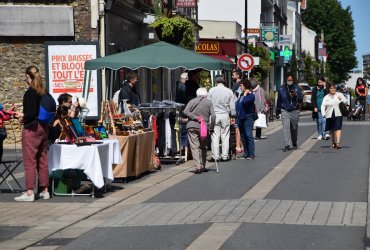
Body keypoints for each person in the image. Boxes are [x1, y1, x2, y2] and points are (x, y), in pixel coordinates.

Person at [14, 66, 50, 201]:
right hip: (44, 127)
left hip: (32, 128)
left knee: (30, 161)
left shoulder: (30, 93)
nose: (25, 79)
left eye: (26, 77)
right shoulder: (44, 92)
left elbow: (30, 113)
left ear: (29, 77)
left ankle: (29, 192)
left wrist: (21, 116)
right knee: (42, 159)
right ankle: (44, 190)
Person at [183, 88, 215, 174]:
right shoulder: (209, 102)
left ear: (197, 94)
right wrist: (211, 127)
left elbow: (185, 111)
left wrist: (195, 117)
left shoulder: (192, 101)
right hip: (204, 127)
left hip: (192, 126)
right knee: (203, 147)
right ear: (206, 94)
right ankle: (203, 166)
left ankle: (198, 167)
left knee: (194, 147)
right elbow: (214, 115)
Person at [207, 75, 236, 162]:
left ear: (216, 82)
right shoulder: (229, 91)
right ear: (224, 81)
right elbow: (232, 106)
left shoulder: (211, 90)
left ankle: (215, 156)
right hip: (225, 115)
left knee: (215, 136)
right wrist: (233, 115)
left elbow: (208, 103)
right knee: (225, 136)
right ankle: (224, 156)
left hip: (214, 114)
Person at [276, 75, 303, 152]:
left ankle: (294, 143)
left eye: (291, 80)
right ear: (286, 80)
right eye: (288, 80)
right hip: (285, 110)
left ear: (293, 80)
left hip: (295, 110)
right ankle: (287, 144)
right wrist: (278, 111)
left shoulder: (297, 87)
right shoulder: (281, 89)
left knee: (294, 128)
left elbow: (301, 99)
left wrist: (296, 95)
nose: (290, 81)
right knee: (286, 127)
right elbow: (279, 100)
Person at [235, 78, 256, 160]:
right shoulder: (241, 95)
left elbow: (244, 102)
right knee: (243, 136)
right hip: (240, 117)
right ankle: (246, 153)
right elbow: (238, 105)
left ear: (246, 86)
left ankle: (251, 154)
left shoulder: (251, 96)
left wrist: (244, 95)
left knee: (248, 135)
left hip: (248, 117)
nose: (240, 87)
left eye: (241, 85)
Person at [321, 84, 346, 149]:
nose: (333, 89)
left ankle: (338, 143)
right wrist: (323, 114)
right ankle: (333, 143)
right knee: (331, 130)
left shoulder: (339, 94)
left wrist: (341, 99)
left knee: (338, 128)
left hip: (338, 114)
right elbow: (322, 106)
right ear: (329, 89)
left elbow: (345, 101)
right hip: (329, 114)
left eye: (334, 88)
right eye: (331, 88)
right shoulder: (326, 97)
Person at [231, 69, 243, 153]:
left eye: (233, 75)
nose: (232, 76)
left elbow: (232, 96)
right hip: (242, 107)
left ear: (238, 76)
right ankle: (242, 145)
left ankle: (238, 145)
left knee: (237, 127)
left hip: (237, 108)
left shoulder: (236, 85)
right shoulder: (242, 84)